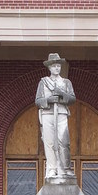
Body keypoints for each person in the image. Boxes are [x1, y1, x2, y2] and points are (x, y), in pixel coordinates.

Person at [36, 52, 75, 180]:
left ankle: (65, 168)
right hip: (48, 114)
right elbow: (38, 101)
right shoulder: (44, 82)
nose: (57, 68)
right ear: (49, 68)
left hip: (61, 113)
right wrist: (49, 100)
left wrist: (61, 94)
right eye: (54, 66)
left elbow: (72, 99)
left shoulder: (66, 82)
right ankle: (52, 169)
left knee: (64, 141)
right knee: (49, 142)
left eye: (58, 66)